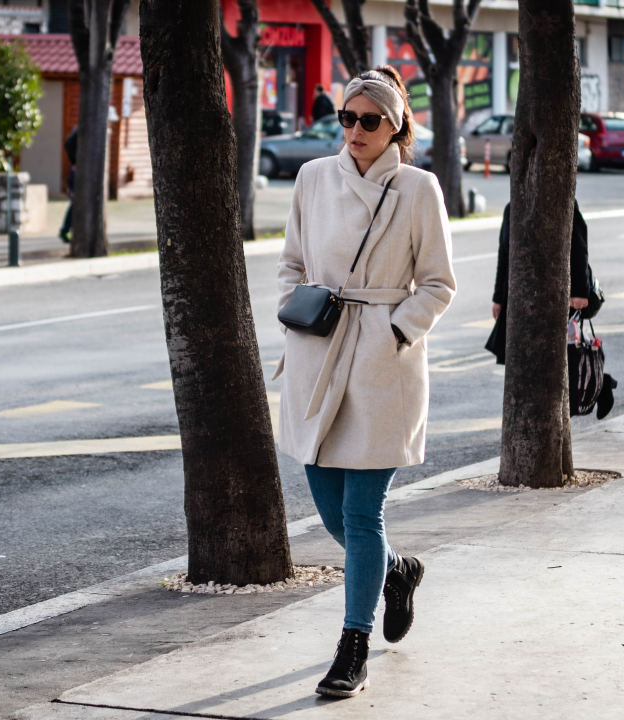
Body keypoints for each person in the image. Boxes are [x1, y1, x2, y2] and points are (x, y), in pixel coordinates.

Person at [274, 66, 456, 698]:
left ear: (395, 125)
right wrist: (293, 313)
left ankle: (353, 645)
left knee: (361, 513)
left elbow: (439, 283)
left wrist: (395, 331)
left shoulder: (418, 188)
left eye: (369, 120)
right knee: (333, 514)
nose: (355, 130)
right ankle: (397, 569)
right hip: (318, 353)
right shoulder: (313, 177)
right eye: (346, 118)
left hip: (381, 365)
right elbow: (292, 261)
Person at [487, 201, 616, 418]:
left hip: (556, 296)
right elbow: (505, 256)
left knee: (562, 357)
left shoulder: (561, 201)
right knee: (530, 359)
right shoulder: (513, 206)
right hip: (521, 299)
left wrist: (579, 291)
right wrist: (498, 298)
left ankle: (597, 387)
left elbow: (579, 246)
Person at [59, 125, 78, 242]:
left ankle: (67, 229)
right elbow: (68, 143)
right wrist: (75, 161)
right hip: (77, 171)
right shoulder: (81, 128)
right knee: (76, 201)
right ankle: (65, 229)